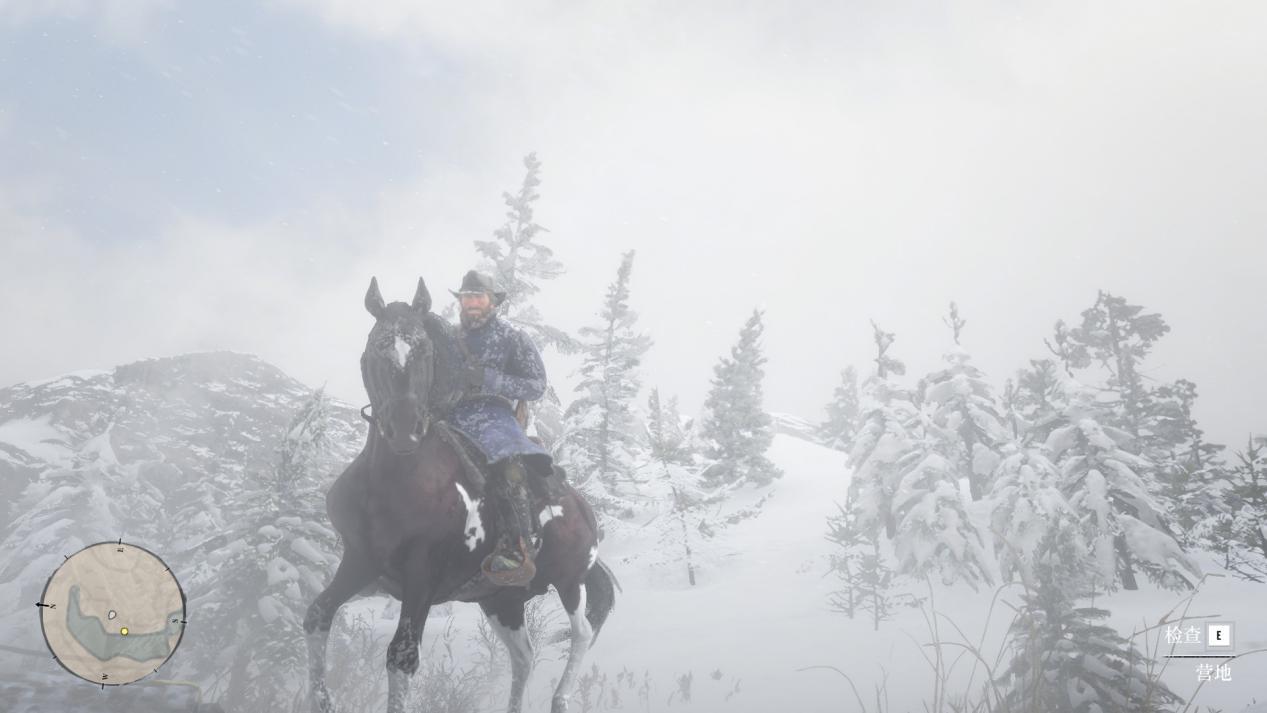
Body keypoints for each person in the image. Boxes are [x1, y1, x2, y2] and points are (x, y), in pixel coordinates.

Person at [447, 269, 552, 587]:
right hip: (449, 413)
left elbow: (536, 386)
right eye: (467, 297)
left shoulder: (513, 338)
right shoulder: (449, 338)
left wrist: (493, 380)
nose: (472, 303)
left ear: (492, 301)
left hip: (493, 415)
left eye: (478, 297)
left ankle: (517, 546)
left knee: (508, 466)